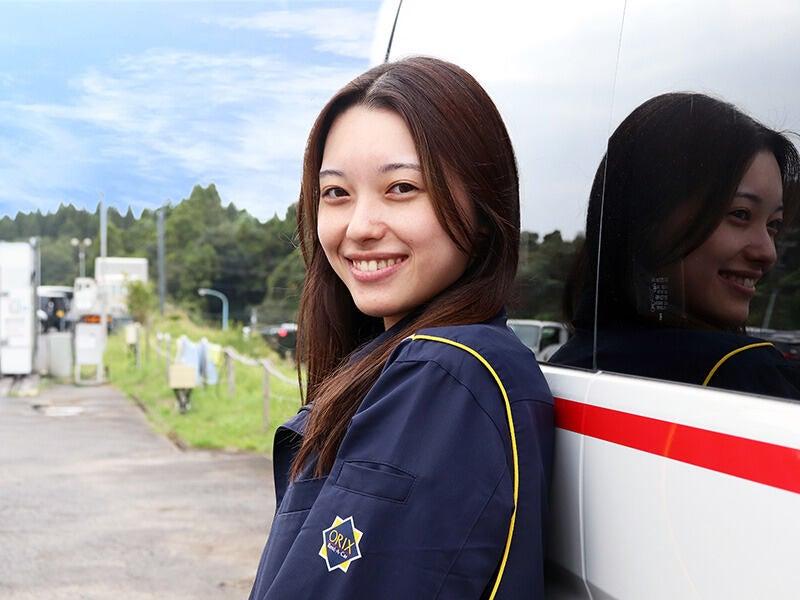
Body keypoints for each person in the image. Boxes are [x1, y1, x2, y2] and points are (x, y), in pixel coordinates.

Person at [249, 57, 554, 600]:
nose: (360, 227)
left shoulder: (446, 375)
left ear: (482, 205)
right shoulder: (407, 362)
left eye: (402, 188)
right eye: (336, 193)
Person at [551, 92, 800, 398]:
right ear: (649, 218)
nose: (767, 253)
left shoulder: (566, 367)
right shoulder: (738, 374)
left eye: (773, 225)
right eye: (739, 214)